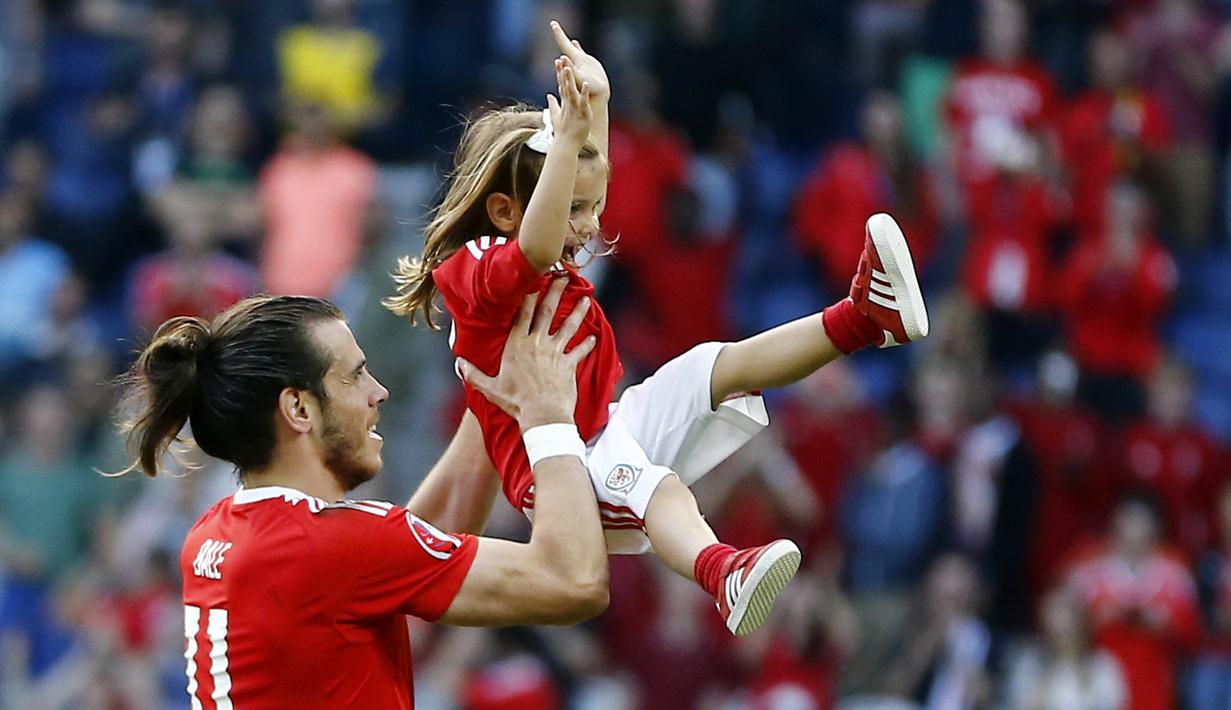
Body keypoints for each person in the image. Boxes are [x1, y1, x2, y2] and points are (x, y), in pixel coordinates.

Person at [386, 22, 931, 637]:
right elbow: (534, 248)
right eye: (574, 209)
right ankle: (720, 571)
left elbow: (573, 198)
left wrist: (598, 105)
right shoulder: (477, 265)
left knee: (716, 365)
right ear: (505, 210)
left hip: (603, 424)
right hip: (559, 468)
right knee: (656, 486)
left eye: (593, 206)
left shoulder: (542, 240)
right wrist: (567, 141)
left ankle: (863, 319)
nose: (589, 226)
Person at [117, 281, 610, 708]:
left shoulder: (217, 532)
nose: (378, 392)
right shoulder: (336, 545)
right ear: (298, 409)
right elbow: (573, 583)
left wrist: (493, 396)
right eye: (354, 375)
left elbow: (408, 556)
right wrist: (547, 416)